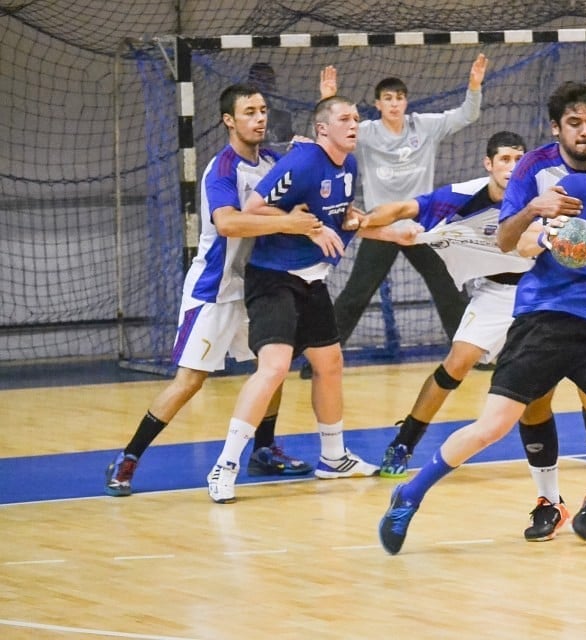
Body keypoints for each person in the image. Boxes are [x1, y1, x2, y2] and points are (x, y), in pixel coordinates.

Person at [379, 135, 586, 558]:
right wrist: (548, 239)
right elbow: (521, 244)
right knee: (491, 428)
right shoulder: (577, 190)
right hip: (542, 323)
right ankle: (409, 495)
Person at [104, 83, 321, 497]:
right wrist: (287, 222)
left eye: (263, 111)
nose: (259, 118)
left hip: (260, 284)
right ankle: (128, 457)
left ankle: (264, 449)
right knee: (190, 381)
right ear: (229, 120)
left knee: (271, 368)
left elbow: (307, 183)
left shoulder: (274, 160)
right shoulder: (221, 170)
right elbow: (228, 223)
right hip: (215, 289)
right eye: (249, 112)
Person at [205, 96, 419, 503]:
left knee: (330, 362)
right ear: (323, 129)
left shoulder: (349, 167)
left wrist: (390, 233)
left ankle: (334, 457)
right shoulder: (302, 163)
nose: (354, 124)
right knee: (274, 367)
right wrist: (304, 227)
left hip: (312, 280)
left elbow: (341, 220)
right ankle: (226, 464)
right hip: (273, 278)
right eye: (344, 118)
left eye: (356, 118)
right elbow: (254, 208)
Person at [493, 81, 586, 543]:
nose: (585, 131)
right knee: (533, 400)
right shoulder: (532, 169)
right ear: (556, 128)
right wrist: (534, 212)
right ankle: (548, 500)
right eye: (574, 124)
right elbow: (504, 241)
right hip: (550, 302)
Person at [299, 55, 488, 378]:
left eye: (399, 98)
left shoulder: (424, 126)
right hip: (381, 228)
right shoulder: (367, 132)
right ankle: (319, 359)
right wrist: (327, 98)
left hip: (419, 227)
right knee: (355, 294)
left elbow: (466, 115)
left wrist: (474, 85)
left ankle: (471, 355)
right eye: (388, 99)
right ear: (378, 104)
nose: (395, 104)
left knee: (449, 288)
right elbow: (327, 134)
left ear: (406, 102)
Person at [355, 131, 529, 477]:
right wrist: (364, 221)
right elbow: (405, 208)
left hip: (541, 291)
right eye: (505, 159)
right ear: (489, 164)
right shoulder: (463, 196)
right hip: (495, 292)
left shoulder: (537, 195)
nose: (512, 167)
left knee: (572, 362)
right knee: (457, 362)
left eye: (518, 160)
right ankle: (404, 442)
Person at [247, 62, 295, 150]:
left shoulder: (283, 116)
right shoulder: (242, 114)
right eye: (260, 79)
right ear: (251, 83)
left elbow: (289, 142)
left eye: (268, 80)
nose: (264, 84)